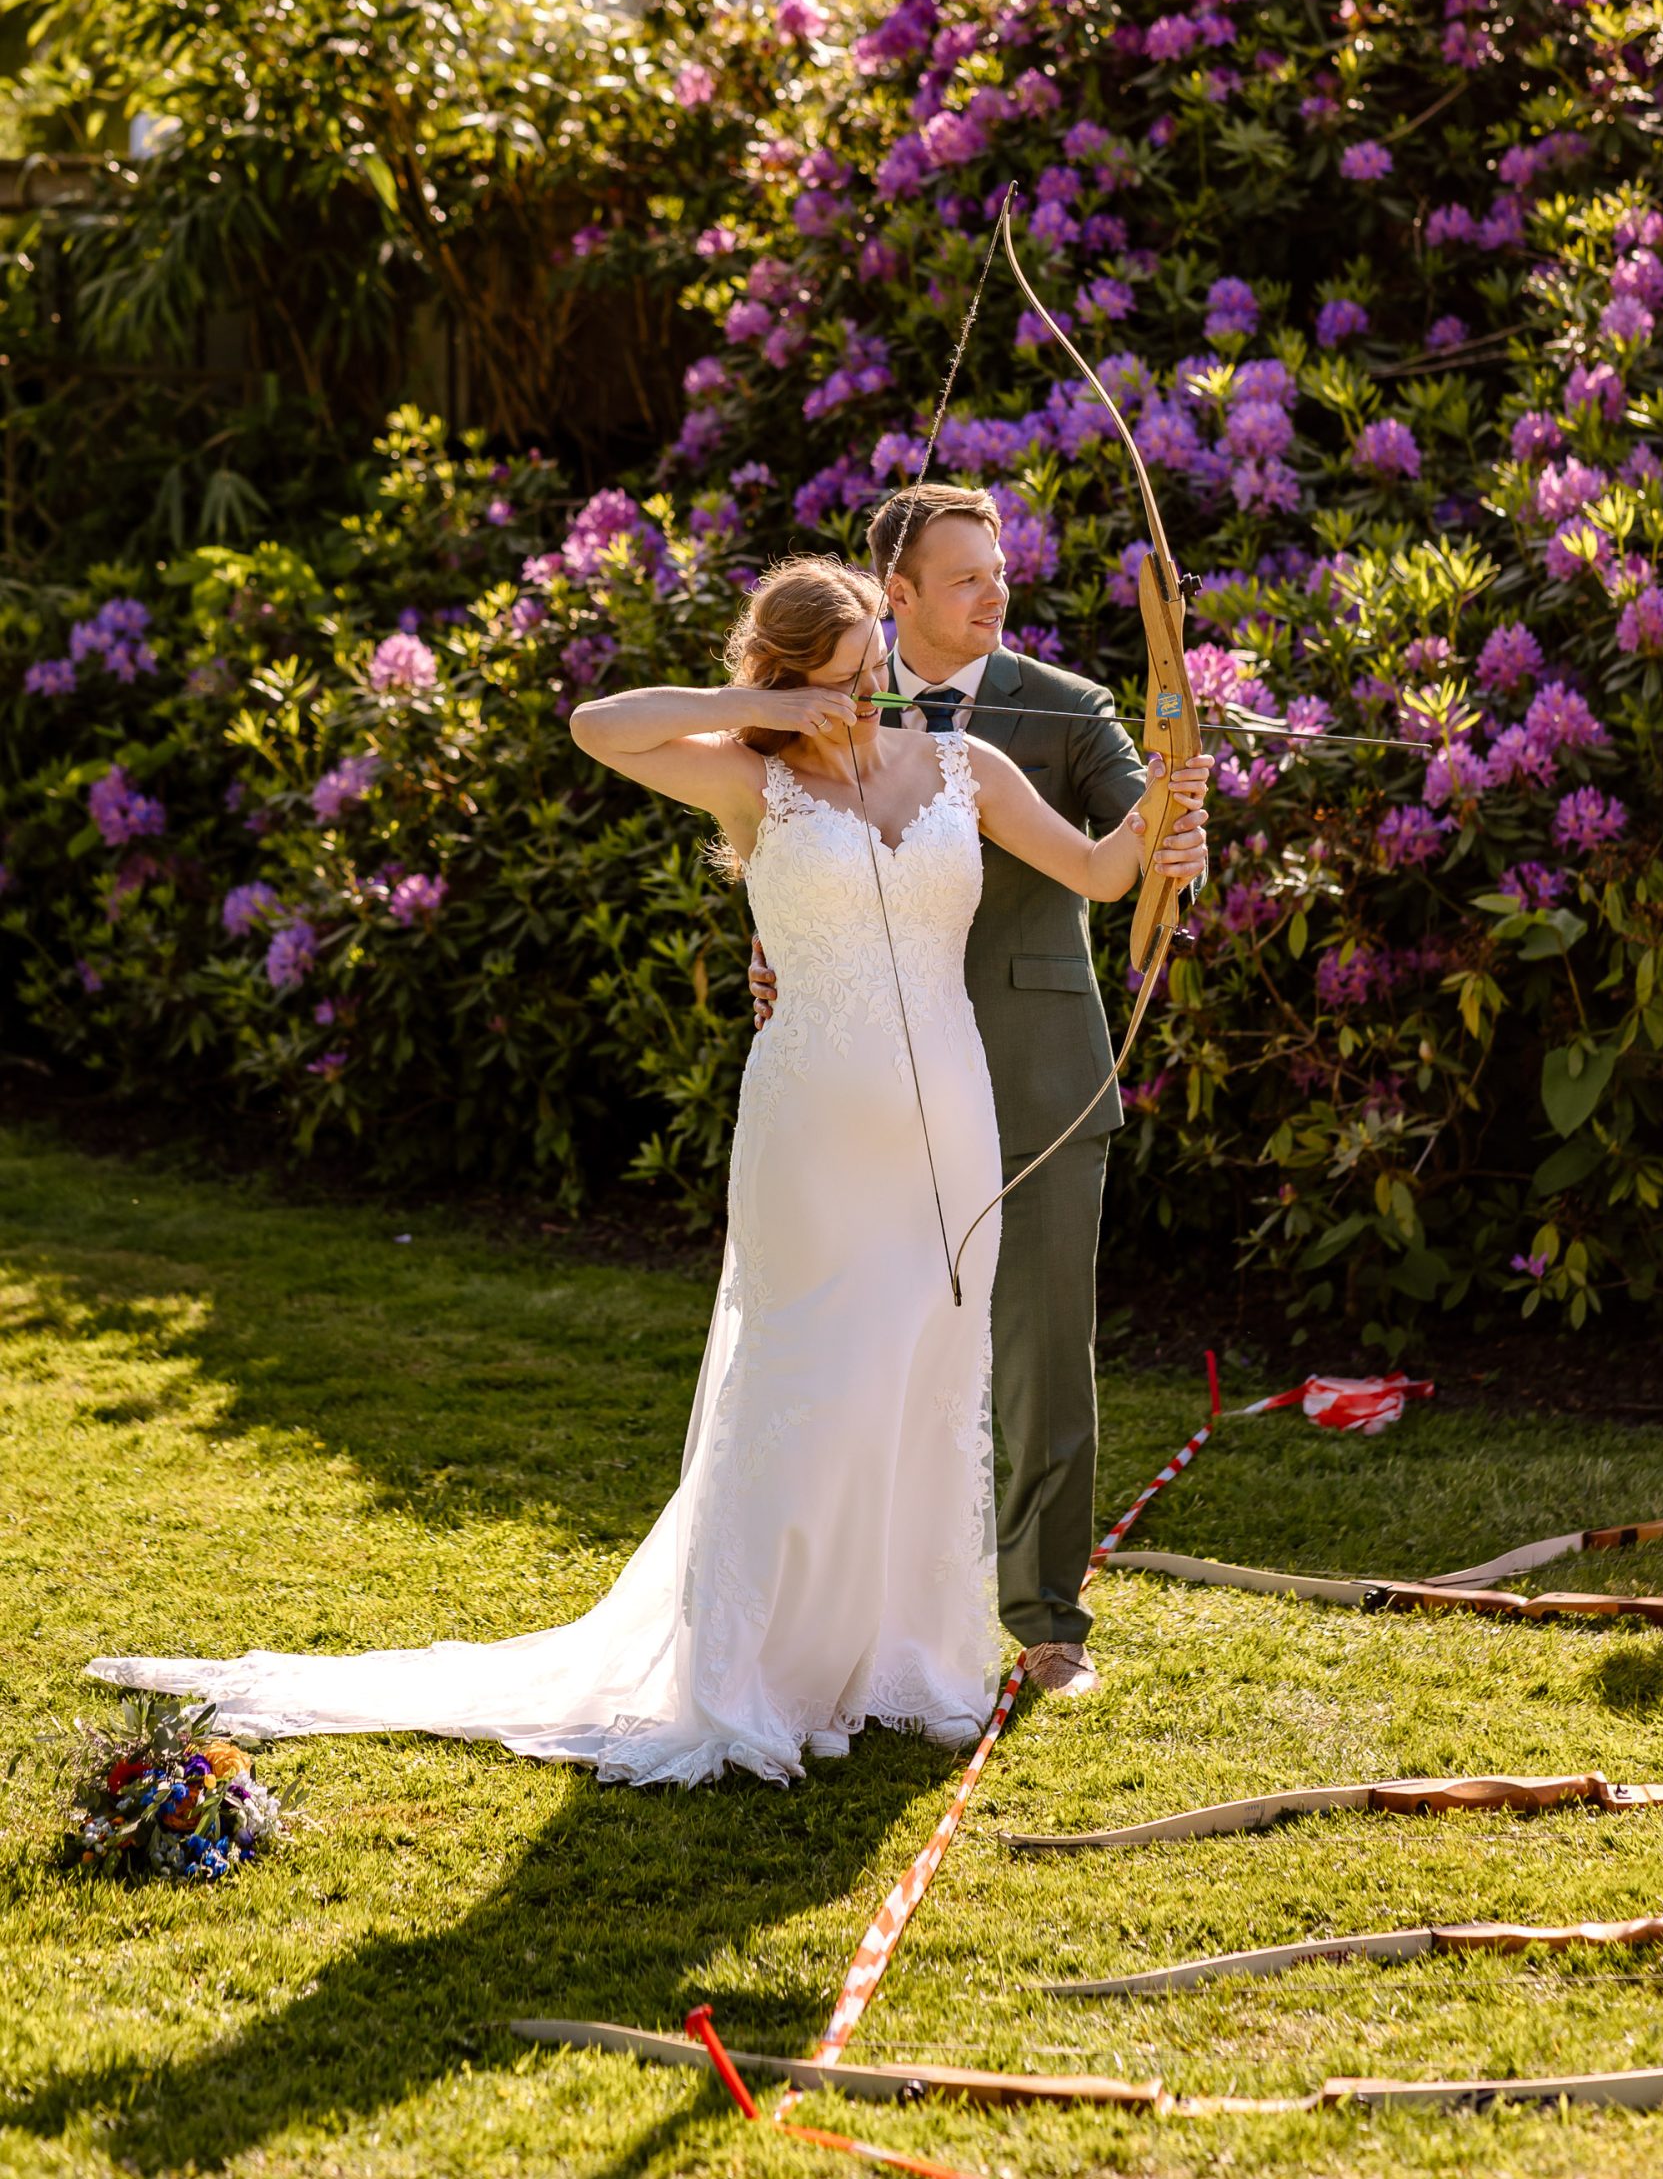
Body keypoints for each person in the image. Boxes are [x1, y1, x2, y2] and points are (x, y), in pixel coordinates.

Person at [89, 556, 1208, 1788]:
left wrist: (1166, 812)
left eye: (866, 673)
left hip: (948, 1130)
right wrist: (770, 718)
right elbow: (596, 725)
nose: (855, 700)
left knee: (923, 1385)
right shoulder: (749, 777)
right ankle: (752, 1677)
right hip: (812, 1142)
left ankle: (904, 1664)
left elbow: (1104, 871)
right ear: (782, 687)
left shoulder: (964, 766)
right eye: (826, 685)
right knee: (810, 1379)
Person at [751, 488, 1202, 1696]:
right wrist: (780, 945)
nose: (997, 593)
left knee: (1044, 1347)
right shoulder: (828, 702)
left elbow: (1132, 834)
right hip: (869, 1081)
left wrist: (1179, 826)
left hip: (1038, 1068)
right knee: (871, 1339)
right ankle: (861, 1615)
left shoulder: (1061, 710)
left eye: (1000, 571)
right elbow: (779, 841)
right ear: (895, 595)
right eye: (966, 578)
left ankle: (1048, 1619)